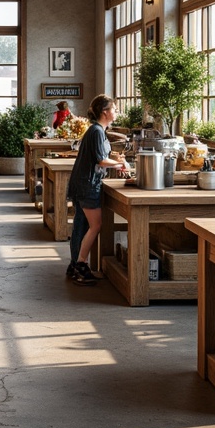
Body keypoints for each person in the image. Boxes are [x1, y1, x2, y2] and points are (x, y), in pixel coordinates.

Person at [66, 94, 126, 286]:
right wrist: (119, 165)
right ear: (105, 112)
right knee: (96, 225)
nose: (116, 111)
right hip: (88, 184)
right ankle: (81, 266)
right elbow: (100, 160)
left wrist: (115, 162)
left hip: (82, 182)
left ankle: (75, 265)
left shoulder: (96, 130)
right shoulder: (97, 131)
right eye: (114, 109)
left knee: (81, 226)